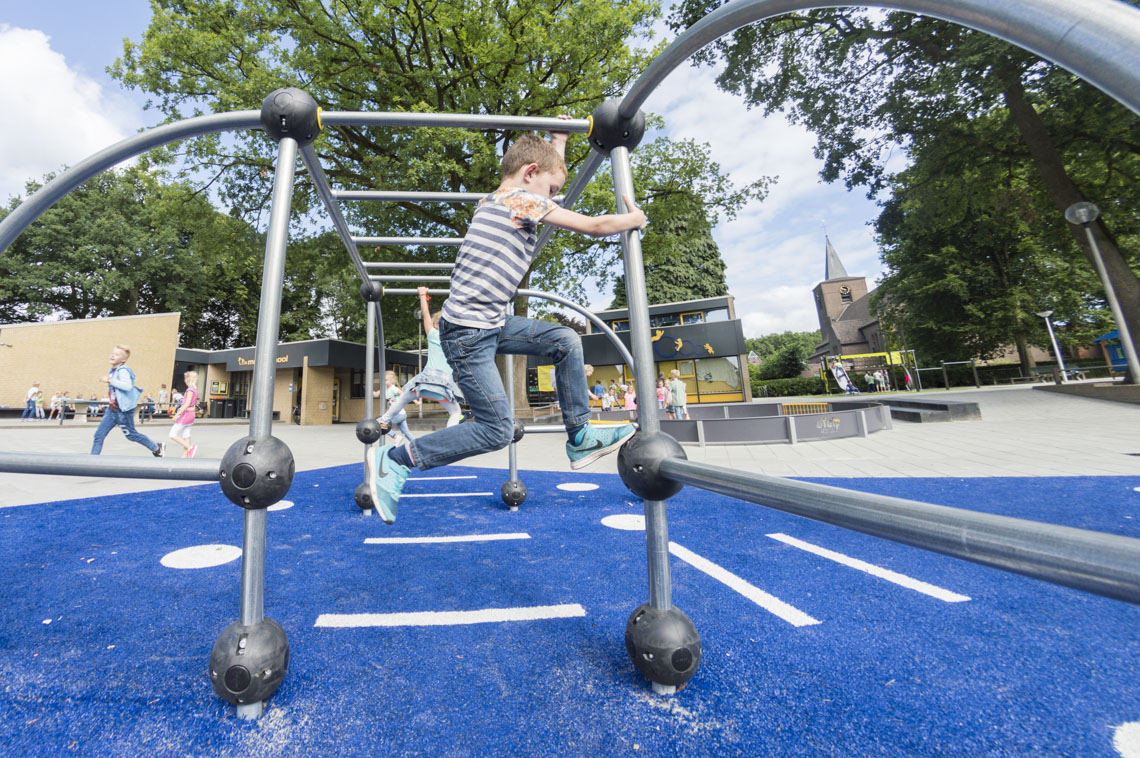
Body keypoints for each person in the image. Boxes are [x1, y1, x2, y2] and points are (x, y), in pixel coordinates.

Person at [366, 122, 645, 524]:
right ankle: (397, 458)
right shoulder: (521, 200)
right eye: (551, 191)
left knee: (565, 340)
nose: (554, 198)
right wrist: (632, 219)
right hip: (468, 336)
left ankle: (580, 437)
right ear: (530, 174)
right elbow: (596, 226)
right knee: (497, 430)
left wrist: (559, 142)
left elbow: (549, 172)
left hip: (490, 324)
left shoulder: (499, 198)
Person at [379, 287, 464, 435]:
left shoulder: (432, 334)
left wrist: (422, 295)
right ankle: (449, 435)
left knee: (403, 398)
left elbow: (425, 314)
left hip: (425, 383)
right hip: (442, 386)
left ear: (435, 325)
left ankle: (384, 419)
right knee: (456, 412)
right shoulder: (454, 340)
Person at [90, 344, 164, 458]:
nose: (113, 355)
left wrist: (109, 380)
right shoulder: (113, 371)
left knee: (132, 435)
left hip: (122, 411)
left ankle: (157, 448)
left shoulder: (123, 370)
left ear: (123, 359)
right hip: (112, 410)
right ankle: (92, 461)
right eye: (112, 353)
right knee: (98, 436)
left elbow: (127, 386)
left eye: (117, 354)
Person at [374, 370, 416, 443]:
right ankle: (417, 445)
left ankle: (395, 436)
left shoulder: (393, 389)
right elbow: (376, 394)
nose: (384, 382)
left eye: (386, 380)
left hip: (399, 414)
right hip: (401, 414)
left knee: (381, 424)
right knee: (406, 433)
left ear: (391, 380)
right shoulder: (384, 389)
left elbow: (405, 395)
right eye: (383, 380)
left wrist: (416, 401)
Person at [167, 370, 199, 458]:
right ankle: (185, 456)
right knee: (186, 435)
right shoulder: (195, 390)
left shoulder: (190, 390)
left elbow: (187, 404)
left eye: (185, 378)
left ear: (188, 379)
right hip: (191, 414)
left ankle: (190, 448)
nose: (184, 380)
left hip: (186, 413)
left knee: (172, 434)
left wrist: (177, 415)